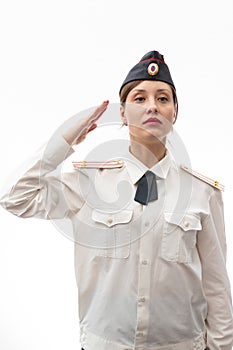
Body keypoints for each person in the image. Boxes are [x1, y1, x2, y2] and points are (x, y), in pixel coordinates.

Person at [0, 50, 233, 350]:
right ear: (122, 113)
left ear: (174, 113)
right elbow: (15, 197)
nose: (152, 106)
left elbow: (216, 288)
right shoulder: (87, 184)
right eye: (139, 98)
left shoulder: (203, 193)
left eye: (163, 99)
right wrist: (65, 140)